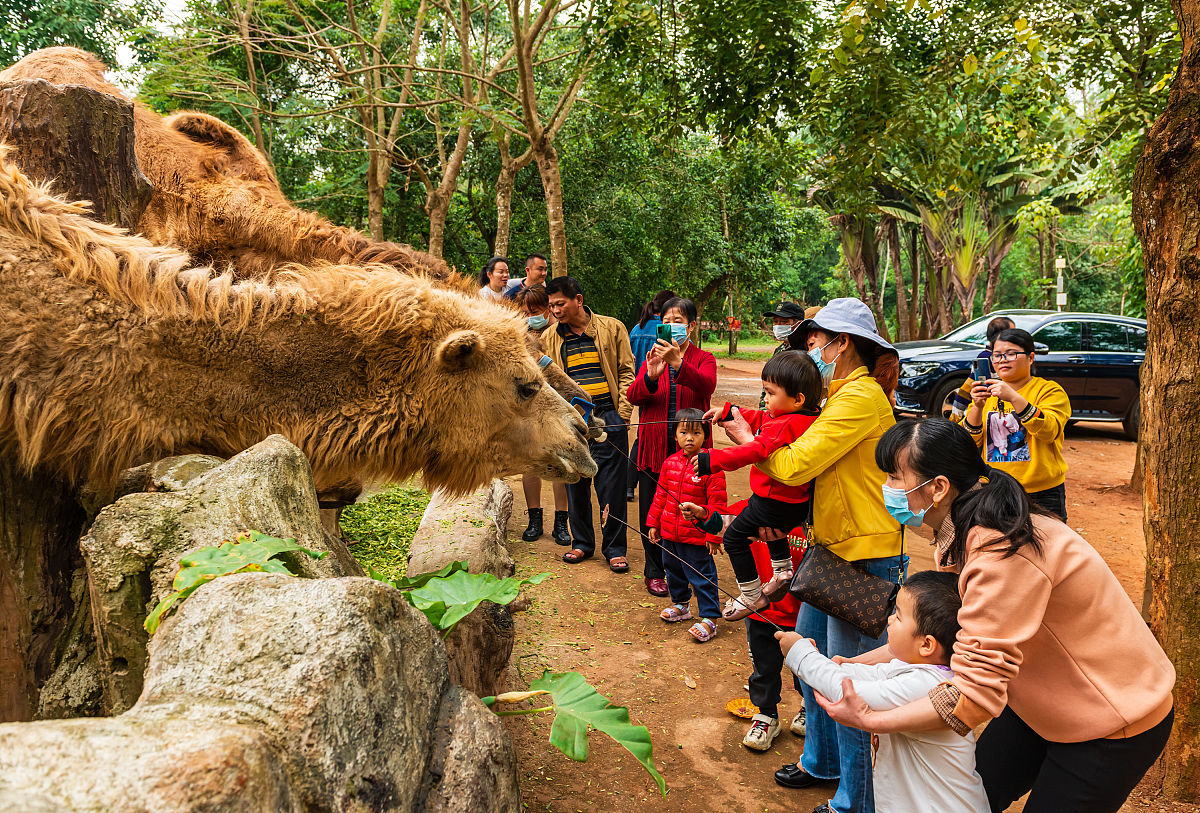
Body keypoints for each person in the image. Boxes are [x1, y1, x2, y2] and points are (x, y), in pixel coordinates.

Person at [819, 418, 1175, 813]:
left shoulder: (1001, 553)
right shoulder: (959, 537)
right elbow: (943, 639)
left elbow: (973, 694)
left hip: (1111, 720)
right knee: (967, 799)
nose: (886, 489)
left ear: (937, 487)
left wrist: (870, 720)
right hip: (1039, 703)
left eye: (894, 477)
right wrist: (854, 664)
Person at [714, 297, 902, 813]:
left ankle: (855, 798)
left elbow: (794, 466)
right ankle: (820, 761)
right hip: (830, 545)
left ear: (842, 345)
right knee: (810, 660)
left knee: (845, 676)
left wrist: (749, 439)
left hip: (863, 550)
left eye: (816, 341)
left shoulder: (858, 398)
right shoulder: (836, 393)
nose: (810, 349)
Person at [777, 571, 989, 813]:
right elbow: (877, 675)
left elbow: (846, 691)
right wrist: (838, 665)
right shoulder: (919, 667)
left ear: (926, 644)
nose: (889, 620)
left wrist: (800, 653)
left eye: (898, 616)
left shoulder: (925, 684)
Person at [694, 352, 822, 620]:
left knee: (733, 539)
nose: (765, 399)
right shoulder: (807, 418)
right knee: (771, 530)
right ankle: (784, 571)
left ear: (797, 399)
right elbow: (764, 419)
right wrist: (729, 412)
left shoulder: (784, 424)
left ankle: (752, 595)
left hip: (772, 501)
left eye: (770, 393)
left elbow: (755, 450)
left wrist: (713, 460)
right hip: (793, 503)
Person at [543, 276, 636, 572]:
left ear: (578, 300)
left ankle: (615, 548)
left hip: (607, 417)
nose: (555, 310)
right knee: (576, 483)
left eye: (560, 303)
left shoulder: (613, 328)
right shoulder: (548, 337)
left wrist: (622, 415)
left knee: (611, 486)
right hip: (569, 420)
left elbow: (626, 371)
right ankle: (581, 543)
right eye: (551, 305)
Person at [627, 297, 716, 596]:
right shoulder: (652, 356)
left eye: (677, 321)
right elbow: (633, 396)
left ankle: (691, 568)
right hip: (654, 446)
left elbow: (706, 386)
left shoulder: (704, 358)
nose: (670, 326)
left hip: (691, 449)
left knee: (690, 506)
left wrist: (678, 362)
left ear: (691, 326)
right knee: (653, 507)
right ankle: (654, 570)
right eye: (666, 320)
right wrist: (651, 377)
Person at [962, 328, 1071, 520]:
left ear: (1030, 357)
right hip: (996, 489)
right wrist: (977, 407)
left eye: (1011, 354)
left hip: (1042, 491)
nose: (1002, 360)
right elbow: (968, 442)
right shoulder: (987, 393)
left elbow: (1049, 431)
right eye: (996, 355)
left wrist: (1013, 397)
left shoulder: (1050, 390)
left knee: (1046, 547)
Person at [647, 409, 727, 643]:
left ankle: (710, 618)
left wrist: (714, 534)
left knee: (702, 576)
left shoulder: (712, 466)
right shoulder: (669, 462)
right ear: (675, 436)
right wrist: (654, 523)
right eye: (684, 432)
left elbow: (718, 504)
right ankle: (681, 606)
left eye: (696, 432)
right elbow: (660, 496)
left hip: (696, 537)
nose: (689, 437)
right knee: (673, 572)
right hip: (670, 533)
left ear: (705, 436)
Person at [741, 530, 808, 751]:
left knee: (806, 668)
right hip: (760, 611)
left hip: (804, 613)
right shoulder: (753, 510)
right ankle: (767, 715)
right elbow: (720, 521)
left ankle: (810, 707)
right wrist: (705, 517)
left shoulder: (812, 517)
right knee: (764, 667)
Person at [515, 285, 570, 545]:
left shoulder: (558, 333)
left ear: (548, 308)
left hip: (557, 404)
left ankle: (562, 521)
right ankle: (534, 518)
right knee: (531, 464)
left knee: (559, 461)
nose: (529, 316)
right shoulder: (516, 335)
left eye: (534, 310)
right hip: (528, 407)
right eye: (525, 311)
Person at [626, 289, 678, 503]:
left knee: (642, 438)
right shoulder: (664, 330)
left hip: (642, 386)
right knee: (655, 438)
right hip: (658, 385)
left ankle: (629, 485)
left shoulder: (637, 328)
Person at [948, 316, 1014, 422]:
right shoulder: (986, 359)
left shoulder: (987, 357)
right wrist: (955, 418)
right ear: (1000, 337)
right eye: (1012, 333)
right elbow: (968, 389)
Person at [760, 301, 806, 408]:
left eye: (784, 322)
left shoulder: (804, 351)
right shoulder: (779, 350)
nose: (778, 325)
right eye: (776, 321)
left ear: (798, 324)